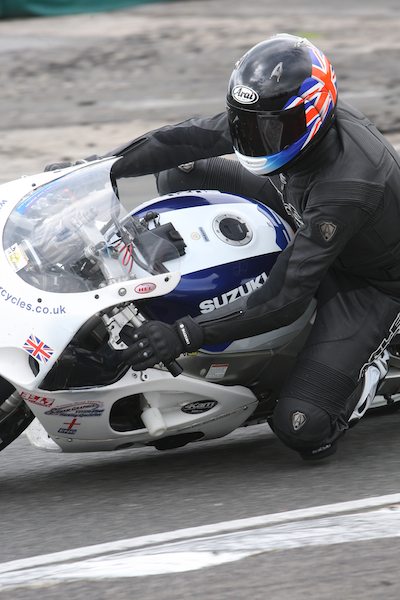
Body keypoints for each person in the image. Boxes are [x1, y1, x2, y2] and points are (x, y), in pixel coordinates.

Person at [48, 33, 400, 460]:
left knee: (303, 426)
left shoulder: (349, 186)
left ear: (312, 116)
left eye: (269, 127)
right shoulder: (276, 120)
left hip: (370, 283)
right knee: (182, 169)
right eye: (246, 123)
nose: (254, 137)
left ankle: (374, 366)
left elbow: (285, 297)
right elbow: (183, 139)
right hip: (304, 214)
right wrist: (96, 169)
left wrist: (186, 334)